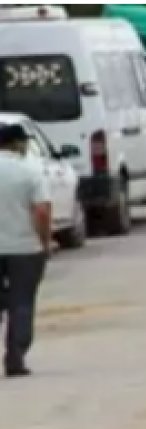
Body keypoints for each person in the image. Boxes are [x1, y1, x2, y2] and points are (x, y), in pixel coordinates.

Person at [0, 124, 52, 377]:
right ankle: (15, 357)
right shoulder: (31, 171)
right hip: (25, 248)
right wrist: (45, 241)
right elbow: (41, 211)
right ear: (17, 144)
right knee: (22, 302)